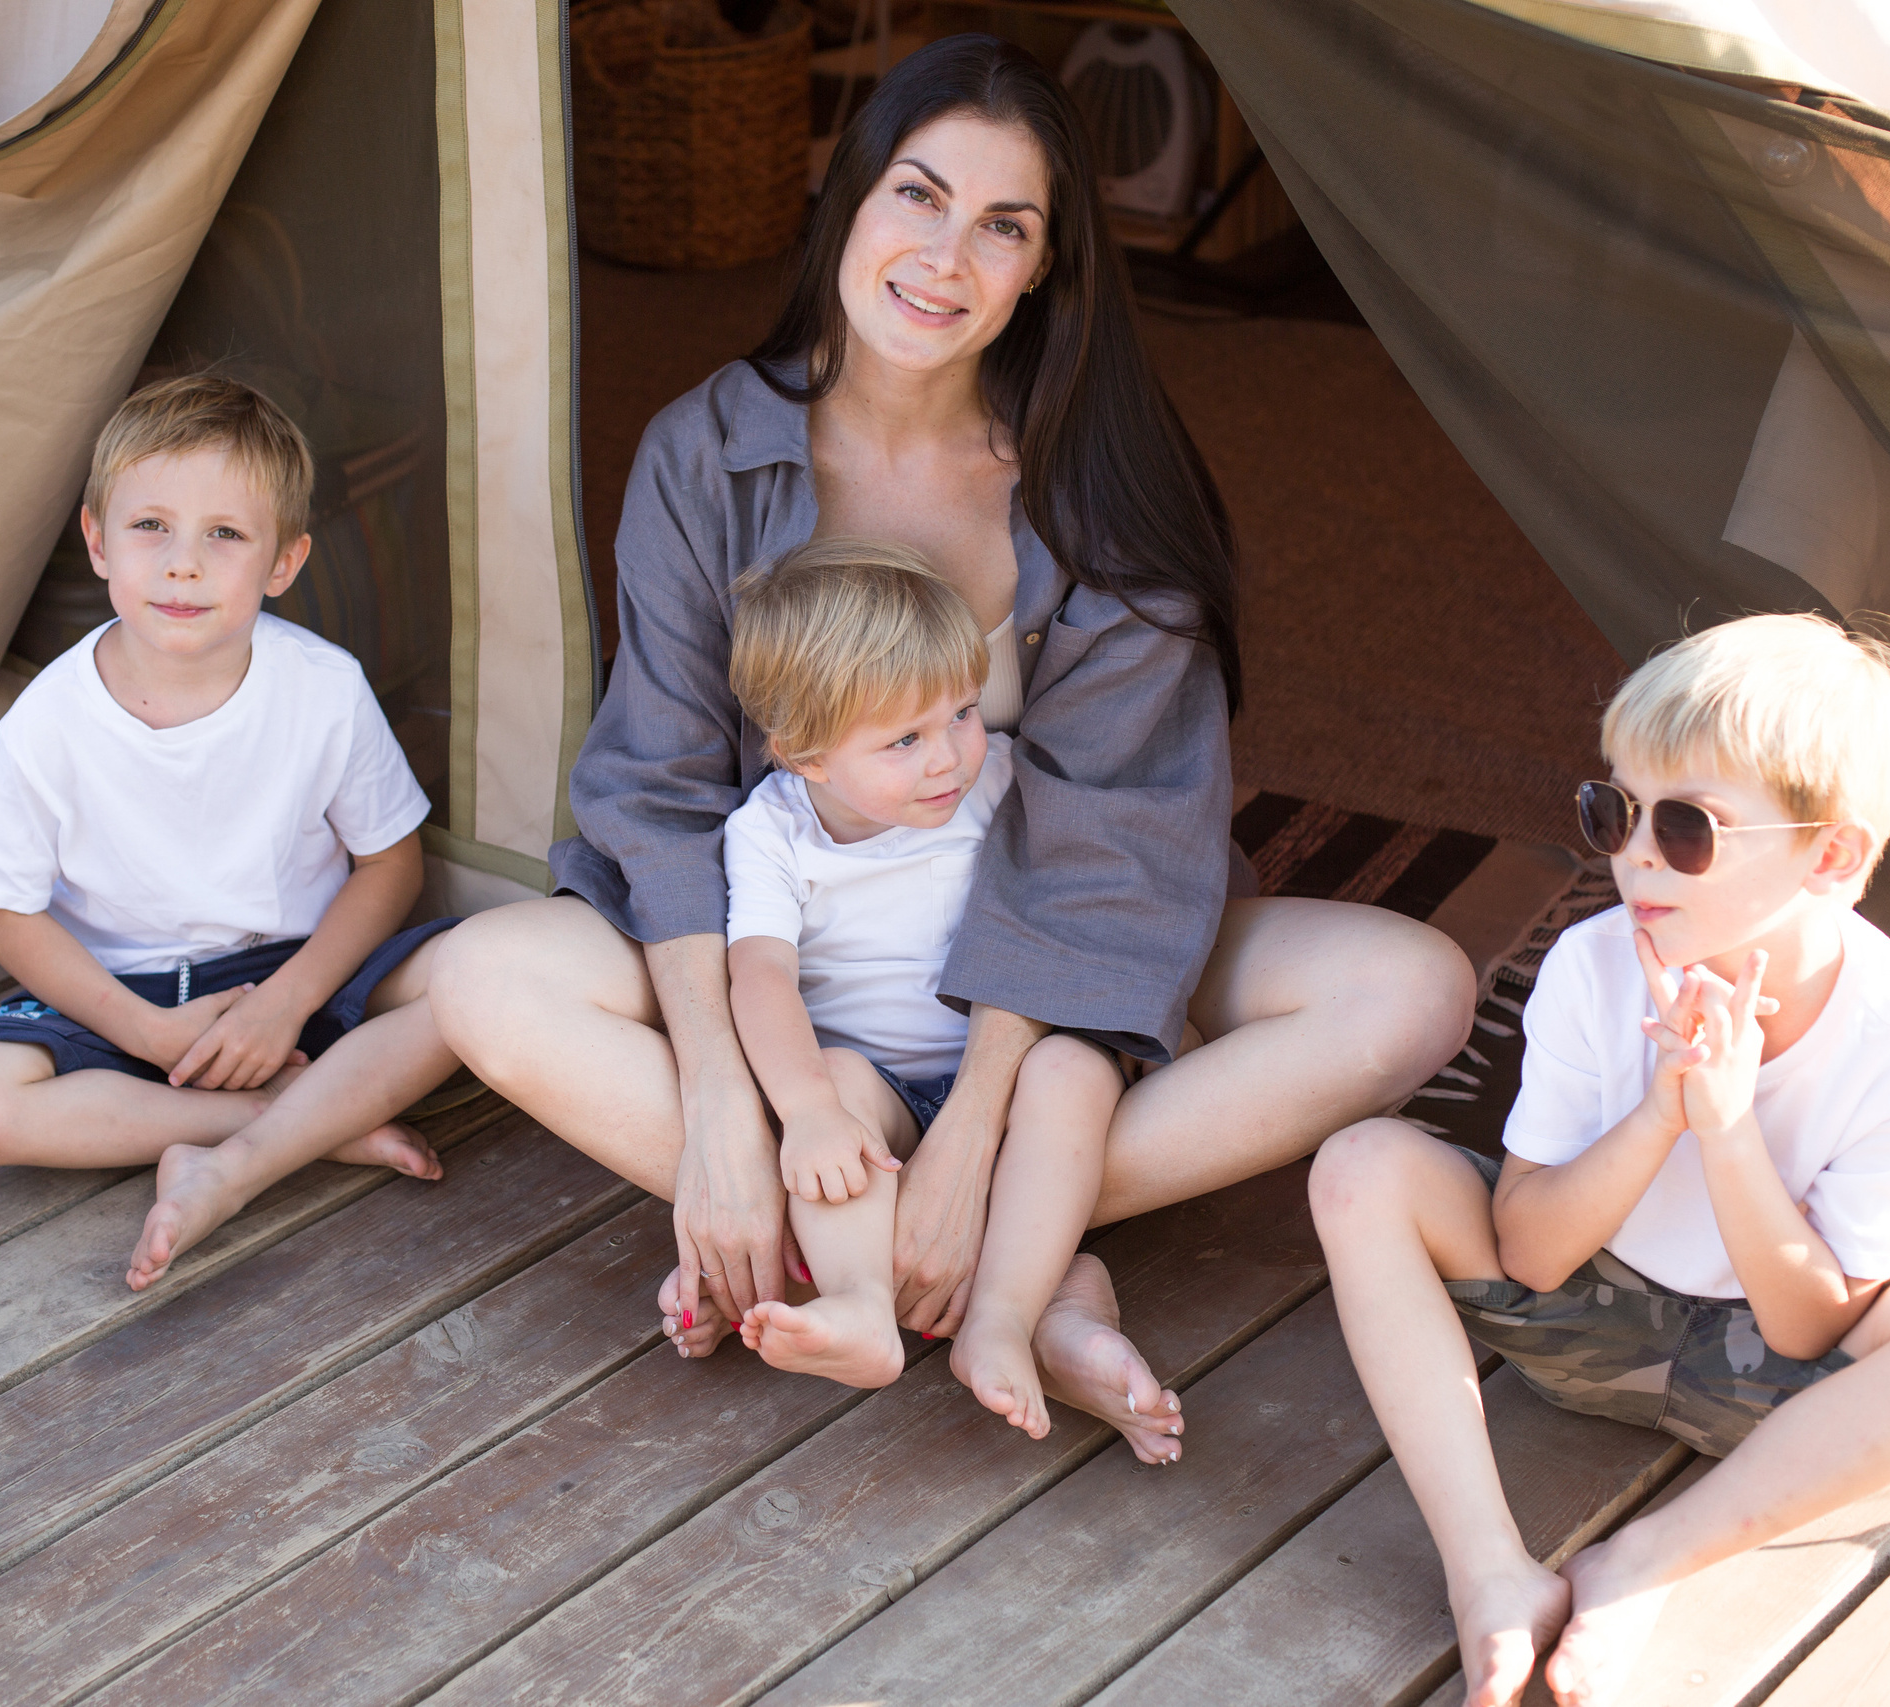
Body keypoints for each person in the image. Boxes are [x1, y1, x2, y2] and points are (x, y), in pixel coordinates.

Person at [426, 32, 1473, 1467]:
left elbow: (1111, 841)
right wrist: (732, 1107)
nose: (945, 254)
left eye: (1003, 225)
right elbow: (659, 790)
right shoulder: (708, 451)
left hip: (1044, 995)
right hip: (790, 949)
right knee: (481, 970)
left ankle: (918, 1228)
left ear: (1044, 267)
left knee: (1409, 989)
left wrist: (977, 1120)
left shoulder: (1103, 492)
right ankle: (981, 1259)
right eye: (917, 196)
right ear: (847, 205)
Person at [1307, 614, 1890, 1707]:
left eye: (1688, 828)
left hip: (1773, 1384)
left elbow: (1810, 1328)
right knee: (1361, 1163)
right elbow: (1532, 1253)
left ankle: (1642, 1562)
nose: (1634, 854)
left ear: (1830, 855)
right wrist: (1659, 1109)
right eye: (1612, 811)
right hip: (1578, 1319)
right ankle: (1488, 1575)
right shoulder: (1592, 965)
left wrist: (1727, 1122)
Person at [0, 377, 461, 1272]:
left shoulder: (322, 688)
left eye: (225, 534)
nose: (183, 562)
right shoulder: (48, 721)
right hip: (122, 991)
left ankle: (284, 1106)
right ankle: (287, 1122)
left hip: (297, 971)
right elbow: (8, 916)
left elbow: (389, 865)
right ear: (97, 540)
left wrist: (286, 1005)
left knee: (472, 988)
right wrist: (149, 1033)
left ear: (283, 562)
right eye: (150, 526)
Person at [721, 540, 1131, 1446]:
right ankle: (864, 1304)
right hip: (887, 1087)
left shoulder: (1000, 779)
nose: (948, 756)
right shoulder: (772, 834)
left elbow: (1070, 905)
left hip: (1003, 1081)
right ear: (805, 756)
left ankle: (1002, 1320)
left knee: (1075, 1068)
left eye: (962, 712)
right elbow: (759, 974)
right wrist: (809, 1109)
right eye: (904, 739)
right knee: (835, 1089)